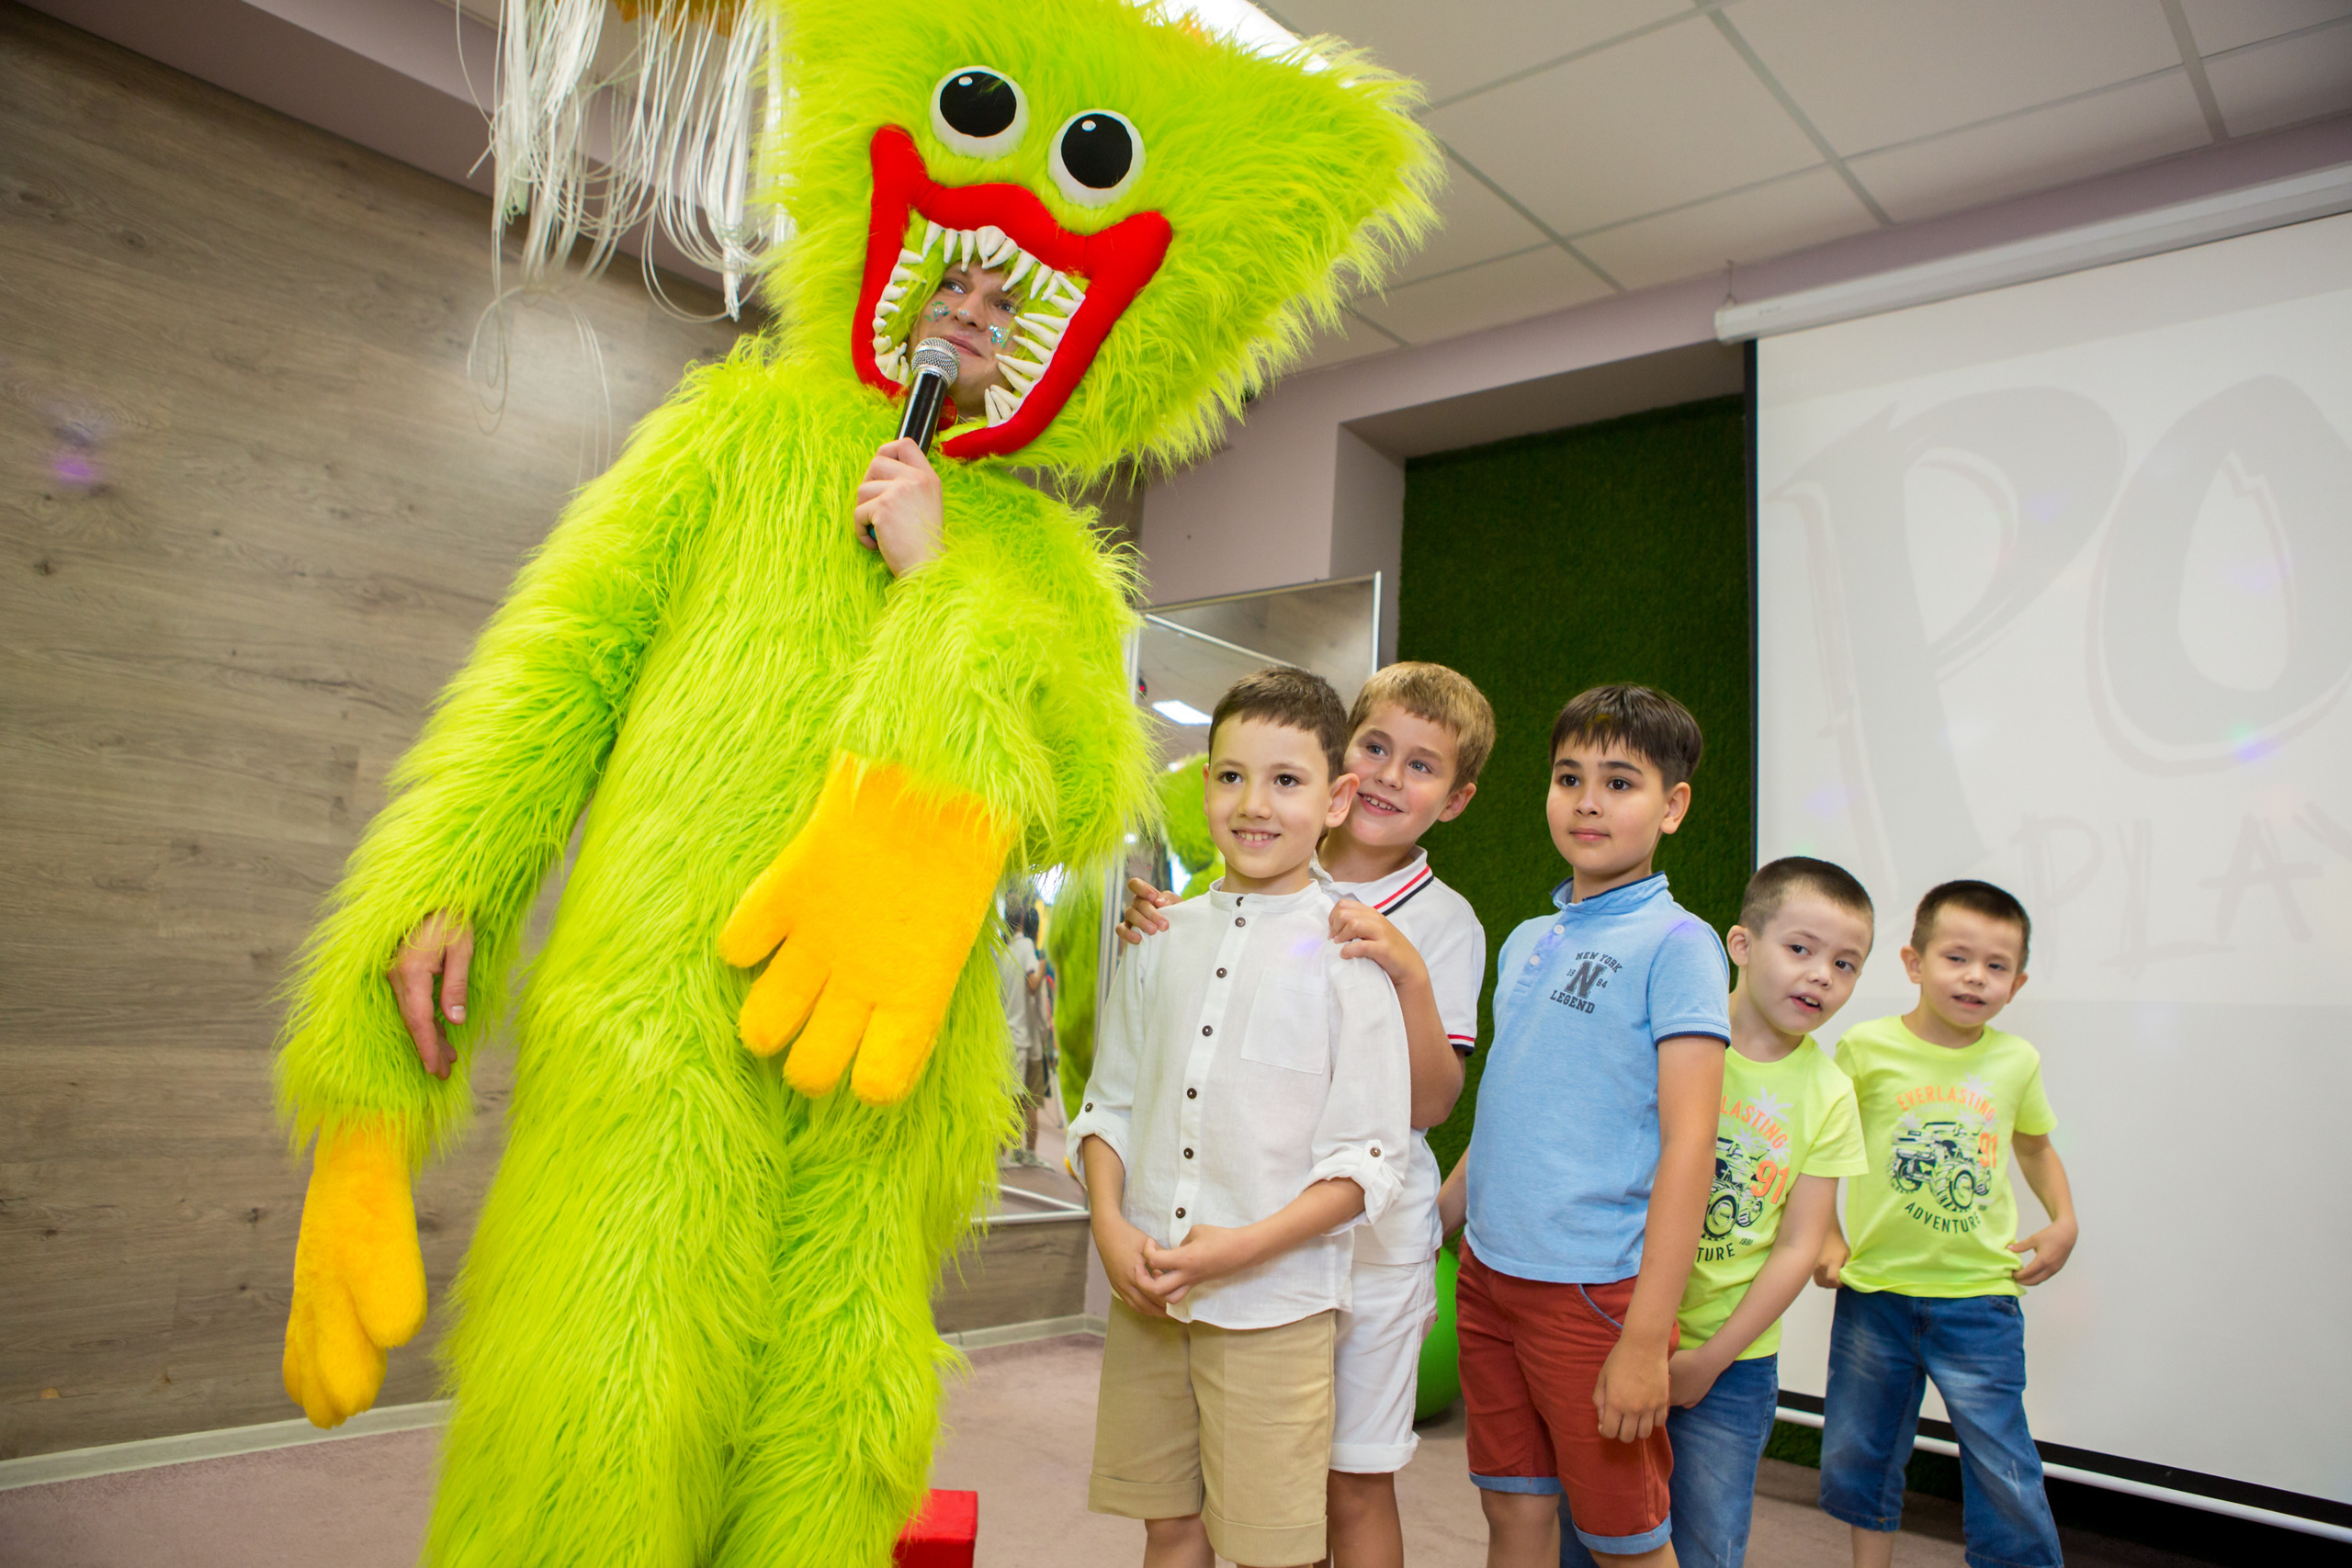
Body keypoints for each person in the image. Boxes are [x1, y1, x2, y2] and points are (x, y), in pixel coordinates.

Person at [1121, 661, 1497, 1568]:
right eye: (1375, 749)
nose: (1388, 778)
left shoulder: (1446, 923)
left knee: (1348, 1481)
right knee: (1226, 1484)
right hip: (1247, 1239)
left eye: (1422, 766)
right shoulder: (1263, 868)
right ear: (1338, 774)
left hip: (1370, 1245)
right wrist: (1167, 927)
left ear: (1455, 798)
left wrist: (1404, 970)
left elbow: (1432, 1102)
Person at [1070, 666, 1414, 1568]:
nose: (1253, 803)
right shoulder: (1158, 941)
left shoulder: (1352, 956)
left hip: (1275, 1309)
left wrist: (1236, 1249)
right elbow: (1106, 1106)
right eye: (1230, 776)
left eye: (1286, 780)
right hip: (1148, 1294)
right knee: (1169, 1526)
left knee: (1272, 1549)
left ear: (1337, 799)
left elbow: (1366, 1167)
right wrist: (1109, 1226)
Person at [1436, 684, 1729, 1568]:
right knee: (1513, 1513)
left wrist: (1646, 1335)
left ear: (1672, 807)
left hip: (1594, 1294)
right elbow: (1511, 1109)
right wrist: (1433, 1225)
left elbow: (1692, 1145)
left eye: (1620, 781)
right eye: (1569, 777)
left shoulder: (1680, 944)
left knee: (1625, 1542)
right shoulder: (1529, 934)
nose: (1588, 800)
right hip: (1489, 1279)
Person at [1562, 857, 1874, 1568]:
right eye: (1801, 948)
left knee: (1705, 1540)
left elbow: (1799, 1245)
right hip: (1612, 1324)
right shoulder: (1673, 1040)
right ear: (1740, 945)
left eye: (1846, 963)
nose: (1823, 974)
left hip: (1730, 1367)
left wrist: (1710, 1359)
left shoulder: (1829, 1091)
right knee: (1592, 1534)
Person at [1811, 881, 2078, 1568]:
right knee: (1859, 1448)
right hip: (1876, 1295)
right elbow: (1827, 1149)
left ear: (2017, 984)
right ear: (1913, 962)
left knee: (2001, 1456)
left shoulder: (2016, 1061)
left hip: (1980, 1296)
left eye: (1995, 966)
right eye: (1957, 957)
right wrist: (1828, 1234)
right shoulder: (1866, 1048)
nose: (1975, 977)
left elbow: (2034, 1144)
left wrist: (2064, 1220)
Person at [996, 897, 1050, 1167]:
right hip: (1021, 1036)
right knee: (1016, 1097)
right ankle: (1001, 1153)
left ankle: (1006, 1152)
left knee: (1009, 1093)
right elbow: (1032, 985)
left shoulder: (1002, 952)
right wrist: (1042, 968)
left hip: (1005, 1034)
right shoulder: (1027, 947)